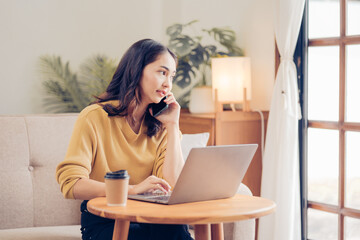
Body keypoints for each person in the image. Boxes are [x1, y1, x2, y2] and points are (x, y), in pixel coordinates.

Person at [56, 39, 193, 240]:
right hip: (105, 220)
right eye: (162, 72)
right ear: (137, 70)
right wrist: (131, 190)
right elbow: (72, 184)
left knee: (176, 230)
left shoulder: (163, 124)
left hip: (152, 217)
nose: (168, 84)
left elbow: (173, 183)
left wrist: (173, 126)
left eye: (171, 76)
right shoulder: (94, 117)